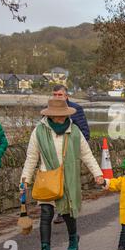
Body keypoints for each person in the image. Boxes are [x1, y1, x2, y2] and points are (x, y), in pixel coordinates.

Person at [21, 99, 104, 250]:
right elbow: (31, 157)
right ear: (49, 115)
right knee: (46, 214)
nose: (59, 118)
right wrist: (25, 179)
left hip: (68, 179)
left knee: (67, 213)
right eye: (56, 115)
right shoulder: (39, 131)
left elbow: (86, 155)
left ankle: (73, 237)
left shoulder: (74, 131)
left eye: (62, 115)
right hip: (47, 179)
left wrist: (98, 174)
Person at [52, 84, 92, 224]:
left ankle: (69, 208)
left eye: (60, 95)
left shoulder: (76, 109)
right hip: (55, 152)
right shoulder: (49, 111)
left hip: (71, 151)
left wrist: (79, 150)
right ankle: (61, 210)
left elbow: (84, 131)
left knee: (69, 181)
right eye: (55, 95)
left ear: (66, 96)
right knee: (58, 181)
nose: (57, 97)